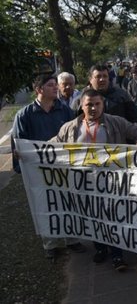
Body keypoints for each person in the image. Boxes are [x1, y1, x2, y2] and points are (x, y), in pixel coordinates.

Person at [52, 89, 137, 271]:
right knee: (94, 216)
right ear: (81, 105)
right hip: (85, 183)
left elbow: (136, 130)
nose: (93, 108)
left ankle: (117, 255)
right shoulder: (70, 128)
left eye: (97, 104)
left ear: (103, 105)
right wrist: (28, 151)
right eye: (89, 104)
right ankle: (101, 248)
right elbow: (52, 144)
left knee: (113, 217)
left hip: (112, 183)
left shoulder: (115, 122)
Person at [12, 74, 83, 261]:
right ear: (39, 90)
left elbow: (74, 135)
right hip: (39, 170)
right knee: (46, 204)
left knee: (68, 202)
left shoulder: (65, 110)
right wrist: (21, 163)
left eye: (55, 85)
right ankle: (50, 244)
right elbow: (19, 143)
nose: (55, 88)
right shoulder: (24, 115)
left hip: (63, 168)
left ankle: (72, 239)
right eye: (51, 85)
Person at [72, 64, 137, 124]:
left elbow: (134, 119)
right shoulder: (80, 100)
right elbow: (72, 124)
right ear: (90, 79)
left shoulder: (121, 95)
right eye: (98, 76)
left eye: (105, 76)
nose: (102, 79)